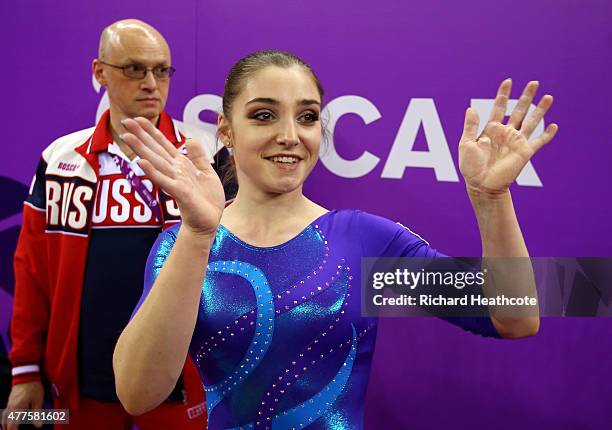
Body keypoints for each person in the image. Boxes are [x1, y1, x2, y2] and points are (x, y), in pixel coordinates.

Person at [113, 50, 558, 429]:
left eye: (307, 117)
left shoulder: (361, 241)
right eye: (263, 115)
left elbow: (514, 319)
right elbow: (138, 394)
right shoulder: (182, 243)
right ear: (226, 130)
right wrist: (198, 232)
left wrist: (490, 197)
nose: (290, 135)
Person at [5, 19, 213, 430]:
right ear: (99, 72)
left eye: (162, 69)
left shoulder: (205, 156)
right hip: (79, 387)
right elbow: (32, 270)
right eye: (135, 69)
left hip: (181, 383)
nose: (152, 83)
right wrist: (25, 371)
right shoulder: (61, 158)